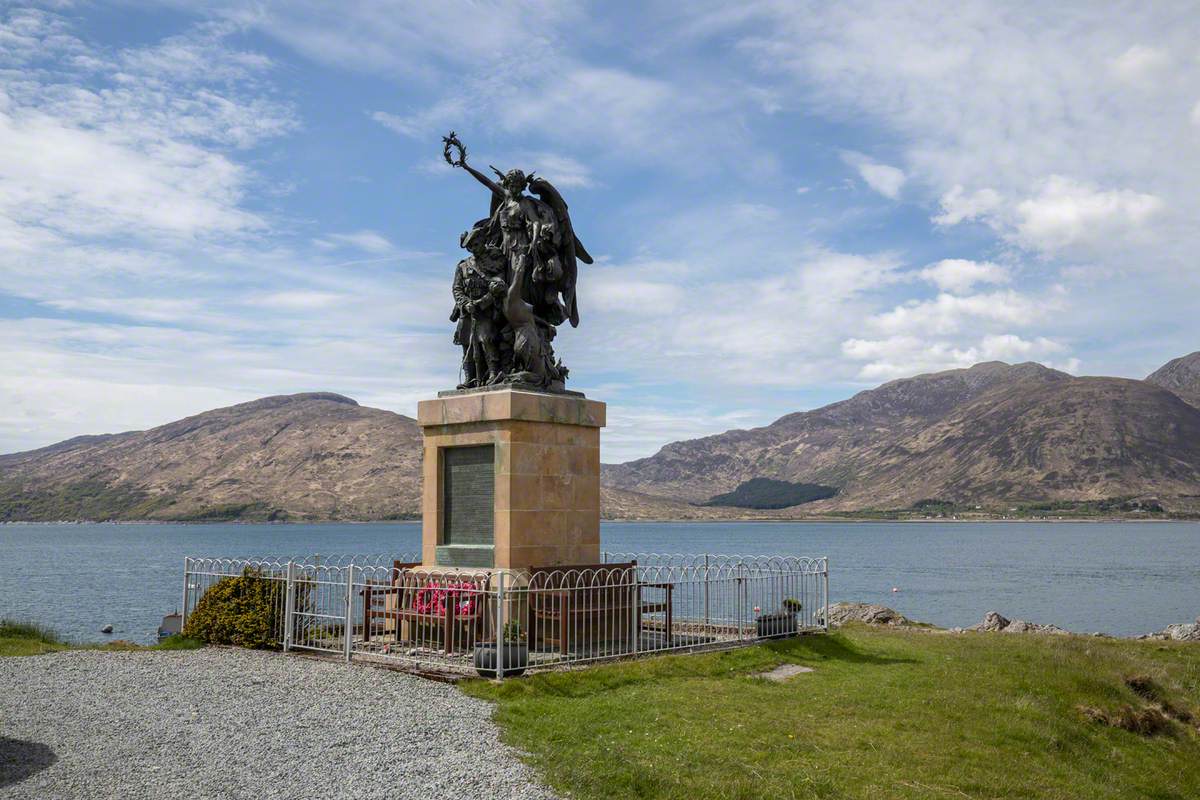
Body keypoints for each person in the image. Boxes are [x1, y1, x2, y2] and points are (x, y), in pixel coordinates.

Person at [450, 223, 506, 387]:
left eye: (476, 244)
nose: (474, 248)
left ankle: (494, 373)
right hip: (467, 312)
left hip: (486, 310)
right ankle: (470, 378)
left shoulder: (494, 263)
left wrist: (482, 303)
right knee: (466, 344)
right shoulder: (463, 266)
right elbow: (457, 288)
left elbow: (500, 286)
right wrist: (466, 304)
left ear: (483, 241)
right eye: (470, 246)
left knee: (487, 340)